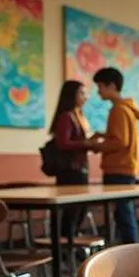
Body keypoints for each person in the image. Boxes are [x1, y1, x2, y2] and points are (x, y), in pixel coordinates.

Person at [92, 67, 139, 244]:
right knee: (124, 213)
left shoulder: (118, 110)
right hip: (126, 167)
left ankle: (130, 255)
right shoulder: (126, 108)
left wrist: (96, 145)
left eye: (100, 86)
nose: (98, 91)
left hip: (118, 168)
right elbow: (120, 138)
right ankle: (130, 254)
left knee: (123, 215)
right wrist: (105, 136)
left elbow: (120, 142)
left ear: (111, 86)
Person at [48, 80, 99, 241]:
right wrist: (86, 143)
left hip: (80, 168)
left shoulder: (79, 116)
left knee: (81, 209)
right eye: (82, 93)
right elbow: (63, 143)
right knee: (72, 211)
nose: (86, 97)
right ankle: (66, 244)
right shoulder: (66, 116)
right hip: (70, 171)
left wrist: (91, 141)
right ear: (72, 95)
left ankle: (72, 240)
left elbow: (77, 140)